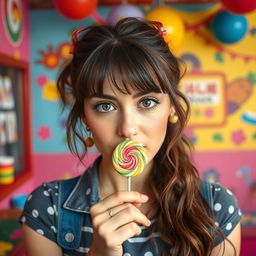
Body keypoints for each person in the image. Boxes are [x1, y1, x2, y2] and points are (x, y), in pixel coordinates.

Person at [19, 17, 241, 256]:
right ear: (84, 116)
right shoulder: (46, 207)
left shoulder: (216, 208)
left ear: (172, 108)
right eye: (105, 106)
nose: (127, 128)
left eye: (147, 102)